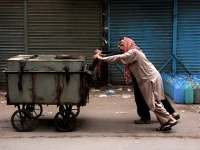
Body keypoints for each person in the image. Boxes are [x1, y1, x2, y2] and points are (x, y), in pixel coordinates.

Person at [93, 37, 178, 131]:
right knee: (155, 102)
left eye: (122, 45)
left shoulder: (133, 52)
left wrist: (101, 58)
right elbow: (118, 54)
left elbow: (119, 58)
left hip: (149, 79)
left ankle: (169, 120)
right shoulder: (133, 51)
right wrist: (103, 54)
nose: (120, 47)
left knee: (153, 102)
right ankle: (166, 122)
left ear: (127, 44)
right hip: (148, 78)